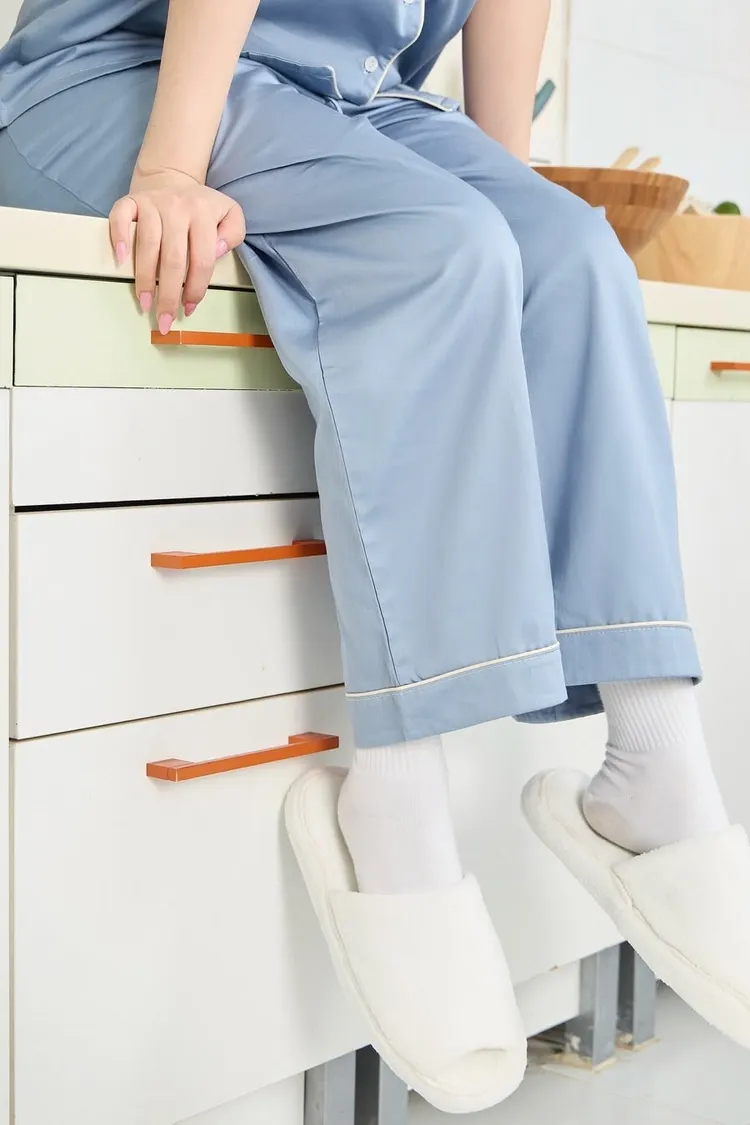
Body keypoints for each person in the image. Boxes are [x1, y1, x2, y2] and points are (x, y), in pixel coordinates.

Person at [2, 0, 749, 1112]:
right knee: (436, 249)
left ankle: (658, 765)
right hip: (131, 72)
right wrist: (168, 169)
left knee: (574, 256)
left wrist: (507, 177)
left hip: (355, 95)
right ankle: (395, 810)